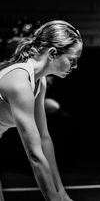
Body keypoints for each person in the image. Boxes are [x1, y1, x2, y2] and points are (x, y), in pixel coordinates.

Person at [0, 20, 83, 201]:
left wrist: (61, 194)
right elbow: (34, 155)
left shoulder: (39, 80)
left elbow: (44, 138)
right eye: (72, 60)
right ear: (52, 53)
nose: (75, 66)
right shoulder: (19, 82)